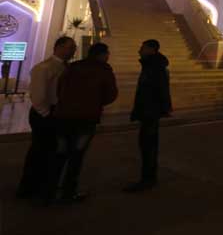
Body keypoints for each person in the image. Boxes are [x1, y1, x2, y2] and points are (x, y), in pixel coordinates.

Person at [47, 42, 118, 203]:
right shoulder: (103, 70)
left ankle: (49, 190)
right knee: (76, 155)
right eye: (107, 54)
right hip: (86, 118)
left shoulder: (72, 67)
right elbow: (111, 94)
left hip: (63, 116)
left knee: (59, 154)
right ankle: (68, 191)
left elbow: (59, 88)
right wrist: (95, 102)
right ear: (102, 55)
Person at [17, 36, 76, 200]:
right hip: (45, 114)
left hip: (57, 113)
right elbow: (38, 96)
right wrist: (47, 114)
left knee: (51, 152)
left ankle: (43, 185)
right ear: (58, 47)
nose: (73, 51)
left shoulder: (66, 67)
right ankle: (29, 188)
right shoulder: (44, 68)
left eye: (74, 48)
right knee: (39, 151)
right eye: (70, 47)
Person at [124, 39, 172, 193]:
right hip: (149, 111)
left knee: (148, 146)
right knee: (147, 145)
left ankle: (148, 178)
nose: (139, 51)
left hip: (150, 112)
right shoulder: (152, 66)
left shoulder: (155, 67)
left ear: (152, 50)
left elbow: (161, 89)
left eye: (143, 48)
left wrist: (162, 108)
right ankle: (148, 177)